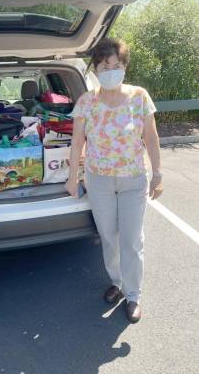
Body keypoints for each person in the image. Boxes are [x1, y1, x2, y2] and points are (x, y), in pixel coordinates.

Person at [65, 38, 163, 323]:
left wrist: (157, 173)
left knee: (132, 240)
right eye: (105, 65)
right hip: (99, 181)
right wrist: (74, 177)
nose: (111, 70)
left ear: (124, 67)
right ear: (96, 68)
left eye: (117, 65)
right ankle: (117, 283)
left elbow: (151, 138)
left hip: (133, 180)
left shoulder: (139, 97)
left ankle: (133, 295)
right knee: (108, 236)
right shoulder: (87, 101)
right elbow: (77, 142)